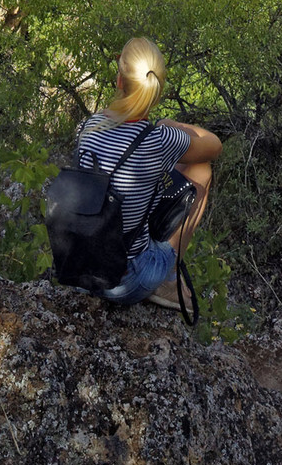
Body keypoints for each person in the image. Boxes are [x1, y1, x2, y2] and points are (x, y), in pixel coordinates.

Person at [75, 35, 221, 308]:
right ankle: (168, 276)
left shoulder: (89, 128)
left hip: (83, 269)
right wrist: (171, 123)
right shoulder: (159, 139)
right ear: (157, 89)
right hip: (125, 283)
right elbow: (214, 145)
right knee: (200, 168)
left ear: (119, 81)